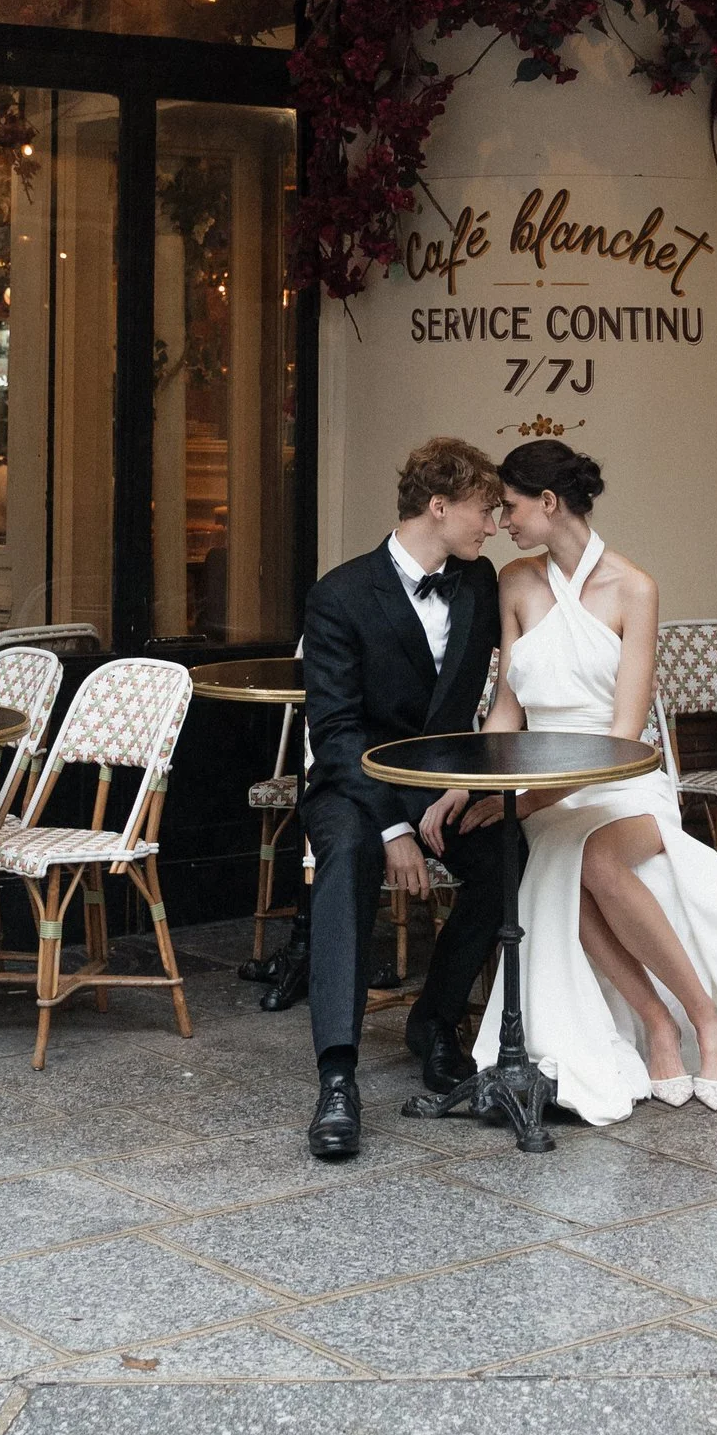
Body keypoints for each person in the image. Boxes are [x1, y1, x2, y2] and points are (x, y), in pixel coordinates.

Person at [433, 437, 717, 1127]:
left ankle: (705, 1021)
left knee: (596, 856)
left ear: (548, 502)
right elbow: (507, 708)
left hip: (620, 782)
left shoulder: (635, 588)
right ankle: (656, 1020)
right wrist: (471, 785)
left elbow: (627, 736)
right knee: (560, 858)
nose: (502, 520)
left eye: (509, 506)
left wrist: (534, 796)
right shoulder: (515, 583)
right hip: (543, 786)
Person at [297, 434, 512, 1163]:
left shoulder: (479, 582)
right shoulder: (340, 593)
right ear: (439, 504)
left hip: (442, 784)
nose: (493, 524)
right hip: (354, 788)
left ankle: (435, 1019)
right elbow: (334, 733)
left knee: (509, 853)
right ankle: (336, 1076)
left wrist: (463, 786)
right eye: (485, 510)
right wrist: (392, 823)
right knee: (350, 860)